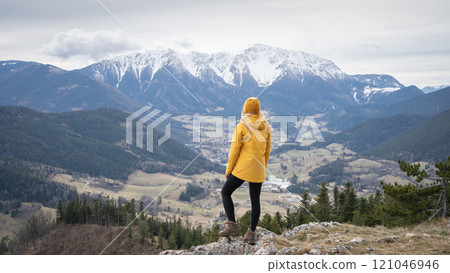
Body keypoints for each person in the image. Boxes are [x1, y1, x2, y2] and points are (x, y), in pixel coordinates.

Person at [219, 97, 271, 245]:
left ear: (245, 110)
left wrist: (229, 169)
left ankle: (232, 226)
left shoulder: (242, 126)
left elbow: (234, 151)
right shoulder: (266, 127)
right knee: (255, 201)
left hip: (243, 168)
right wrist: (262, 167)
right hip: (258, 169)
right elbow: (267, 151)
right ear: (258, 110)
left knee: (225, 192)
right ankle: (251, 234)